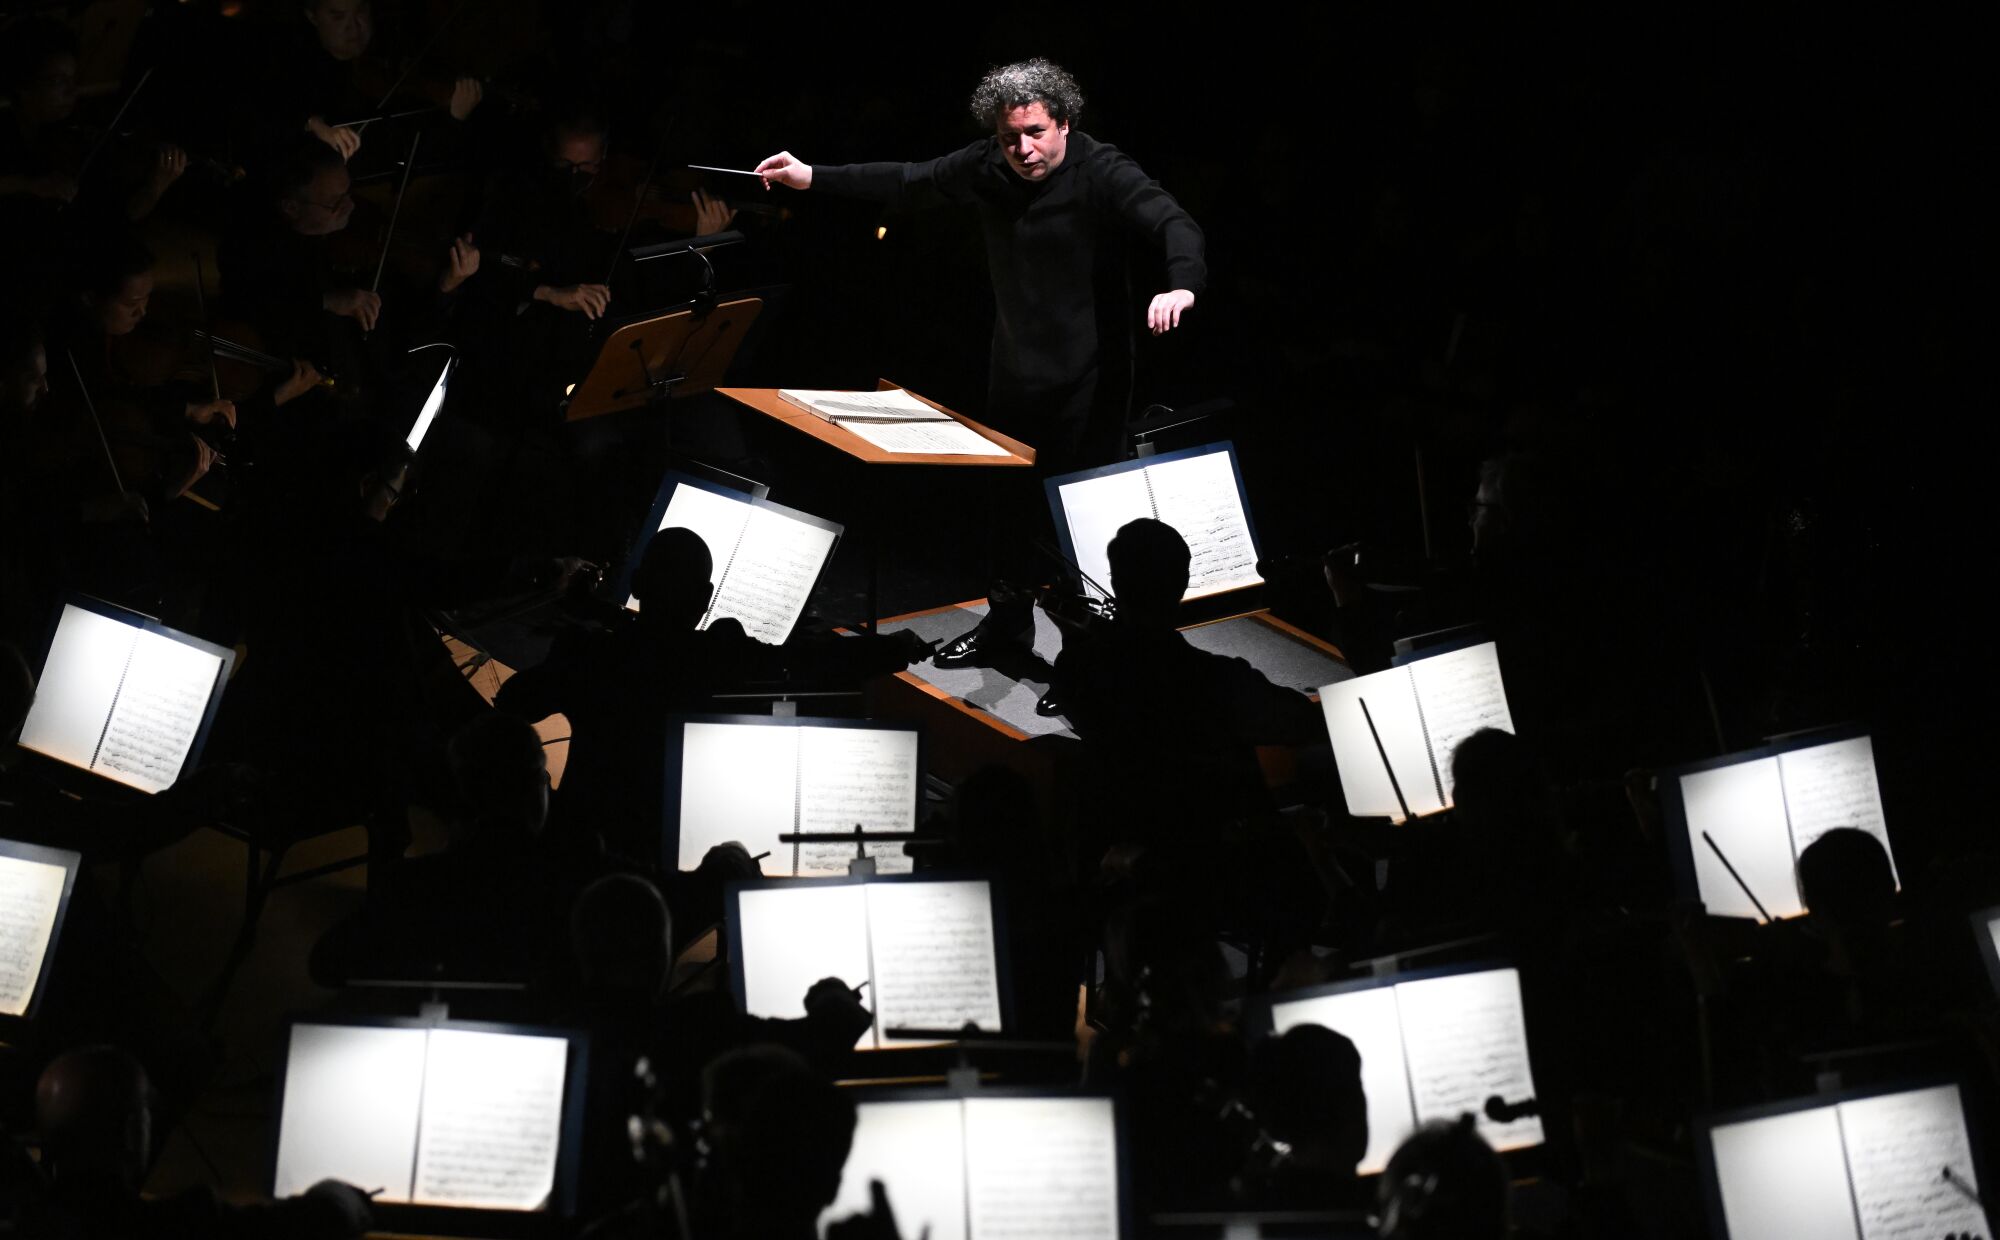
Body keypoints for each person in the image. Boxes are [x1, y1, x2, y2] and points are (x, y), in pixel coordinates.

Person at [755, 57, 1206, 666]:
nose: (1021, 149)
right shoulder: (988, 165)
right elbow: (908, 181)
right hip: (1015, 370)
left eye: (1035, 133)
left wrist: (1181, 285)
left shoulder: (1102, 169)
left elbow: (1172, 221)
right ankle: (1007, 628)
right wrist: (812, 177)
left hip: (1090, 379)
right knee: (1006, 514)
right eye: (1009, 137)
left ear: (1064, 124)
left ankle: (1084, 658)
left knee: (1067, 520)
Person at [27, 1046, 374, 1238]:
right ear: (133, 1132)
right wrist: (338, 1195)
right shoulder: (179, 1224)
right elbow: (302, 1229)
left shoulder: (28, 1215)